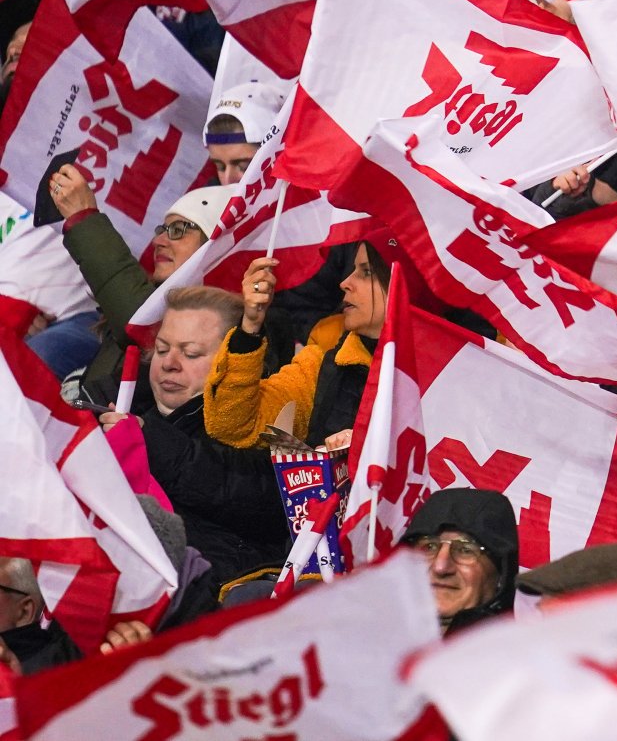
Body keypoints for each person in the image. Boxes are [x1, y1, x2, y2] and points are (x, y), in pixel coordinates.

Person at [120, 285, 292, 589]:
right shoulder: (135, 415)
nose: (169, 363)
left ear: (231, 363)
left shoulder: (257, 425)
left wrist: (152, 442)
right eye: (161, 349)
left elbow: (259, 498)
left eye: (191, 353)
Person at [52, 166, 238, 408]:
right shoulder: (151, 297)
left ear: (217, 247)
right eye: (162, 230)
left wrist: (83, 218)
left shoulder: (234, 321)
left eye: (178, 231)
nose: (158, 242)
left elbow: (139, 320)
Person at [204, 241, 390, 451]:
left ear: (405, 282)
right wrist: (249, 329)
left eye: (366, 272)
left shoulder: (434, 374)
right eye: (353, 269)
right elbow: (234, 425)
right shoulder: (323, 364)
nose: (345, 283)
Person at [404, 488, 519, 634]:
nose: (440, 567)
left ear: (502, 575)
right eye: (429, 547)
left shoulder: (524, 655)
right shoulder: (373, 648)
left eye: (465, 550)